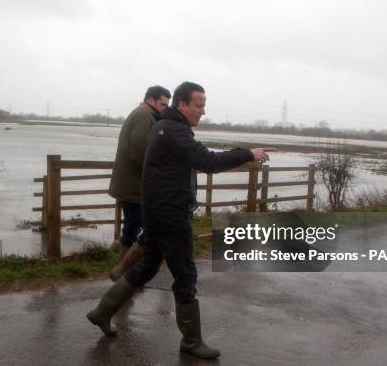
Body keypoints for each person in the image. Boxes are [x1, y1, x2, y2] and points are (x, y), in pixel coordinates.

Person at [87, 82, 272, 360]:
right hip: (170, 215)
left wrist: (239, 152)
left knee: (147, 266)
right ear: (182, 104)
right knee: (186, 275)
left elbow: (195, 157)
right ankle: (191, 341)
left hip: (157, 212)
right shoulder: (174, 130)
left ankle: (101, 312)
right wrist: (247, 153)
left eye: (204, 105)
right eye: (198, 105)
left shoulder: (165, 126)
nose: (203, 110)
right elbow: (207, 161)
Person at [107, 85, 171, 281]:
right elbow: (140, 152)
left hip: (131, 184)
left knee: (133, 225)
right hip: (135, 186)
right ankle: (124, 271)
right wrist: (153, 179)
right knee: (144, 226)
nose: (165, 108)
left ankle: (124, 270)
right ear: (151, 100)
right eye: (162, 104)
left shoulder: (144, 114)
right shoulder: (144, 116)